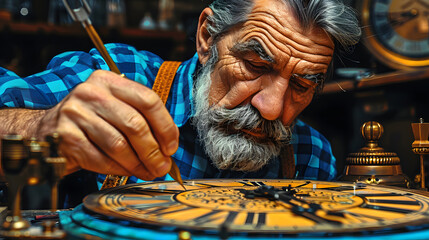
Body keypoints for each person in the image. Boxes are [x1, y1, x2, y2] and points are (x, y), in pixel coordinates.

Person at [0, 0, 360, 204]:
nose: (272, 108)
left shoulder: (309, 157)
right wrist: (38, 129)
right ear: (207, 37)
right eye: (255, 65)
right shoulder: (125, 76)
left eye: (301, 85)